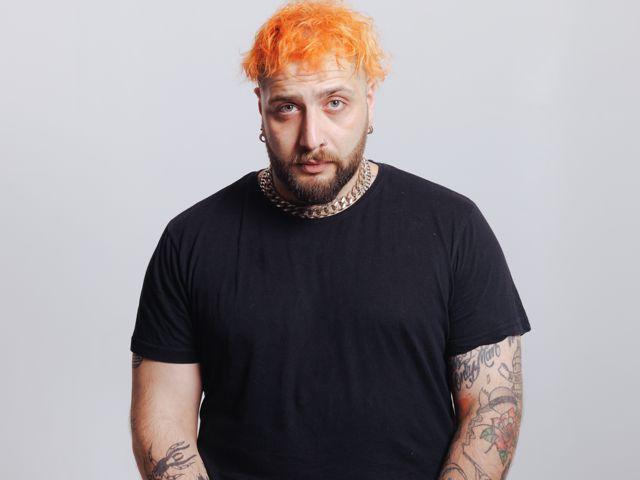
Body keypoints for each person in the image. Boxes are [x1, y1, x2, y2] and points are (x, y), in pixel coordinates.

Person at [129, 1, 532, 479]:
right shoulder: (190, 240)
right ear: (260, 108)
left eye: (335, 102)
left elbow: (491, 407)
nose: (311, 137)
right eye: (287, 108)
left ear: (370, 102)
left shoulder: (453, 227)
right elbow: (164, 422)